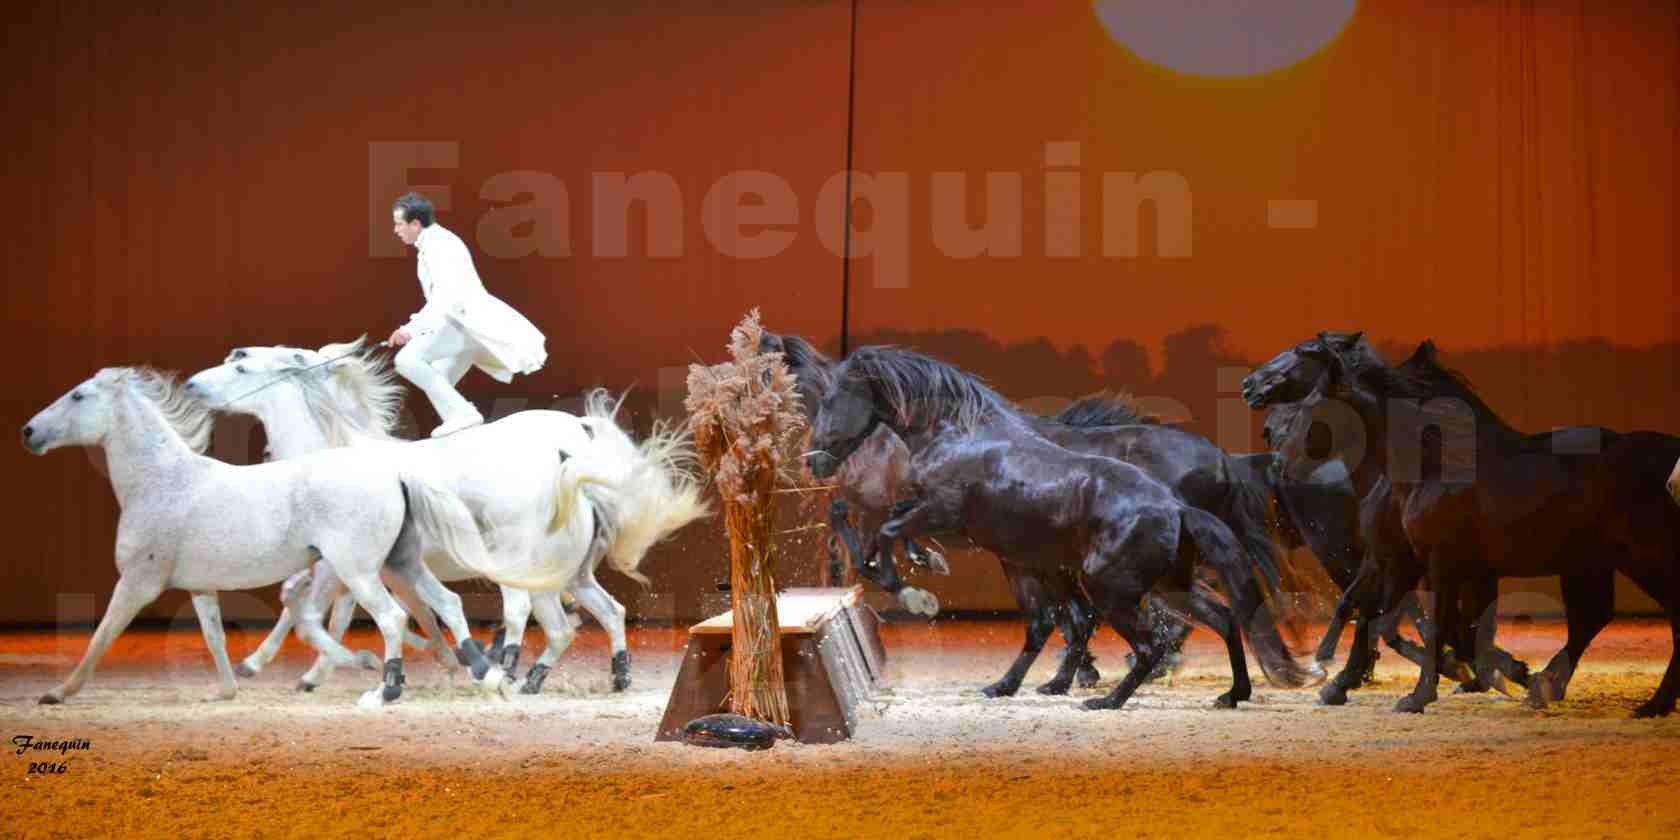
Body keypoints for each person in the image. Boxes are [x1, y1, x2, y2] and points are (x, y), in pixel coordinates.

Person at [387, 192, 547, 437]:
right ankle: (462, 432)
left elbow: (446, 296)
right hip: (463, 322)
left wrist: (411, 329)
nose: (395, 230)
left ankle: (463, 415)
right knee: (438, 379)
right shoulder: (434, 242)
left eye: (399, 224)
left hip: (463, 322)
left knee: (407, 361)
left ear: (415, 224)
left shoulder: (438, 244)